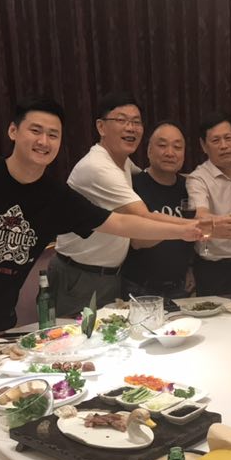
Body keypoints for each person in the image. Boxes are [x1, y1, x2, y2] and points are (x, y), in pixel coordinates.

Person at [0, 96, 200, 367]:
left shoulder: (55, 197)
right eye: (35, 131)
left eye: (53, 135)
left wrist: (187, 230)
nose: (44, 141)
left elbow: (118, 223)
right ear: (13, 131)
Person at [48, 92, 193, 315]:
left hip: (109, 275)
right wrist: (195, 227)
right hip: (79, 275)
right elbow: (143, 217)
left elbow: (149, 173)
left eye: (136, 122)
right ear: (101, 127)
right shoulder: (97, 167)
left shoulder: (123, 163)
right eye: (121, 120)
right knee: (78, 335)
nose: (130, 128)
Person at [121, 121, 195, 299]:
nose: (170, 153)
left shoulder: (189, 188)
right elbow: (137, 240)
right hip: (139, 287)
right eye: (162, 145)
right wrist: (177, 228)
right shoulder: (133, 186)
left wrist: (190, 267)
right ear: (149, 151)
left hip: (179, 286)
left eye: (177, 147)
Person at [186, 111, 231, 295]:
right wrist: (225, 221)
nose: (224, 146)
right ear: (204, 145)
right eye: (216, 140)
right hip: (216, 270)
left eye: (228, 138)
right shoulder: (198, 178)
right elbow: (200, 215)